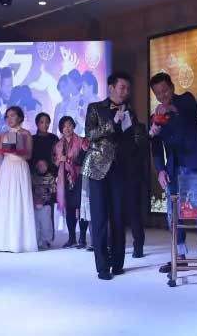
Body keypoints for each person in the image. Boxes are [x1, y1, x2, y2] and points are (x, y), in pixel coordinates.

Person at [149, 73, 197, 278]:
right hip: (173, 169)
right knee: (173, 215)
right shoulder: (157, 116)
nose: (162, 96)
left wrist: (172, 108)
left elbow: (190, 111)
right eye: (158, 93)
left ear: (172, 87)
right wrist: (160, 169)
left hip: (195, 165)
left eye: (165, 90)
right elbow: (155, 147)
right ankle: (180, 257)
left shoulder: (185, 100)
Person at [82, 72, 137, 280]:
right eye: (122, 87)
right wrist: (112, 122)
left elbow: (133, 138)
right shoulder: (95, 108)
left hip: (120, 168)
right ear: (111, 87)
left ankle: (118, 263)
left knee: (118, 218)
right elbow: (90, 134)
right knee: (99, 219)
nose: (125, 92)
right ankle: (102, 266)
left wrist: (143, 133)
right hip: (98, 168)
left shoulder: (130, 111)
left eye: (128, 89)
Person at [0, 106, 38, 253]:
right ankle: (4, 242)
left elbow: (29, 155)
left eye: (13, 115)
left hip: (20, 167)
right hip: (7, 168)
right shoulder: (4, 135)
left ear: (20, 117)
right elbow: (1, 156)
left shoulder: (26, 134)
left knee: (19, 200)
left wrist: (17, 152)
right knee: (6, 201)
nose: (9, 119)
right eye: (7, 116)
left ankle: (20, 242)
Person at [54, 116, 88, 248]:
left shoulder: (82, 141)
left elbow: (87, 157)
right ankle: (72, 238)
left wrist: (73, 161)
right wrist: (60, 160)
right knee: (69, 209)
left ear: (73, 126)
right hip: (65, 178)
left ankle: (82, 238)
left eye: (69, 125)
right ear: (61, 129)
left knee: (82, 208)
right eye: (64, 126)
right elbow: (55, 163)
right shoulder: (58, 145)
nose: (67, 128)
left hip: (80, 177)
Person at [122, 121, 148, 258]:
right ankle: (115, 246)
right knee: (116, 214)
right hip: (116, 175)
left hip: (133, 176)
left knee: (134, 213)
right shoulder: (112, 126)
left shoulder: (138, 128)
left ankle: (138, 246)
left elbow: (141, 150)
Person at [31, 159, 56, 250]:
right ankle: (37, 240)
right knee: (36, 223)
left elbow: (54, 188)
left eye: (43, 165)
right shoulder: (33, 177)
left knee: (46, 223)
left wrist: (47, 190)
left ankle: (47, 240)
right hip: (35, 204)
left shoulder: (50, 177)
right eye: (39, 165)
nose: (41, 167)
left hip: (46, 204)